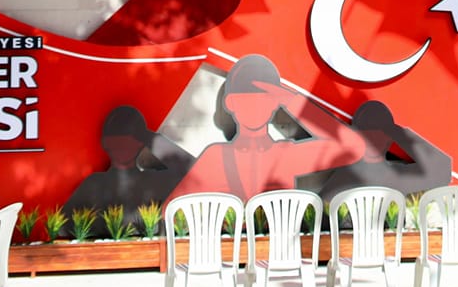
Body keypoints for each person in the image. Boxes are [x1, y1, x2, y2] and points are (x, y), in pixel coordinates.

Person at [168, 55, 370, 200]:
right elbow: (171, 211)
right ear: (231, 103)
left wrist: (294, 102)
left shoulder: (285, 154)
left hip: (278, 245)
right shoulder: (216, 157)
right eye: (246, 101)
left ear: (275, 104)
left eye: (264, 101)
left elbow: (353, 147)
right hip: (235, 246)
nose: (255, 108)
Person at [64, 105, 196, 214]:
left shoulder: (158, 178)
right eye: (115, 145)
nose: (119, 151)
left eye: (124, 145)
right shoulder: (94, 184)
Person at [318, 101, 453, 197]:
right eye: (368, 133)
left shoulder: (398, 175)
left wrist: (397, 132)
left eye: (379, 133)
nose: (373, 139)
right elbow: (442, 169)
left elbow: (443, 169)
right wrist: (397, 133)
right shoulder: (345, 176)